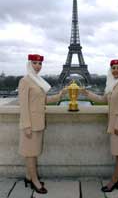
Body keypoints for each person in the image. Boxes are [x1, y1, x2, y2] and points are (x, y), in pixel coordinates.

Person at [81, 59, 118, 192]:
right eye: (113, 67)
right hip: (114, 124)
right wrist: (87, 94)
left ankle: (113, 181)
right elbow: (103, 100)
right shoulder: (112, 85)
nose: (116, 70)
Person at [18, 54, 67, 194]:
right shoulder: (25, 81)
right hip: (30, 125)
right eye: (34, 63)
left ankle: (29, 177)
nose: (38, 66)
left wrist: (59, 95)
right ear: (29, 64)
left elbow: (43, 101)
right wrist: (27, 125)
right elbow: (23, 106)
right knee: (31, 154)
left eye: (39, 64)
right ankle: (34, 181)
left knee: (32, 153)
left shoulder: (38, 81)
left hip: (38, 123)